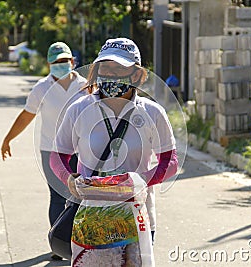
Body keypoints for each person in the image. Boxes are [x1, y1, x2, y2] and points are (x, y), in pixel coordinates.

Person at [49, 37, 178, 266]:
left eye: (120, 68)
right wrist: (69, 180)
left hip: (137, 216)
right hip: (91, 216)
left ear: (137, 74)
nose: (111, 74)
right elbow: (58, 156)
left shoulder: (153, 113)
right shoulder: (78, 109)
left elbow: (171, 160)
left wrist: (141, 181)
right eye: (106, 67)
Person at [1, 41, 87, 260]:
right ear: (49, 64)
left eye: (64, 61)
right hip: (52, 151)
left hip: (81, 150)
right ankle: (59, 246)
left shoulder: (86, 86)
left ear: (72, 62)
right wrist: (8, 139)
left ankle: (80, 243)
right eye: (56, 62)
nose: (61, 65)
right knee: (58, 197)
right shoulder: (42, 87)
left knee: (83, 196)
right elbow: (27, 115)